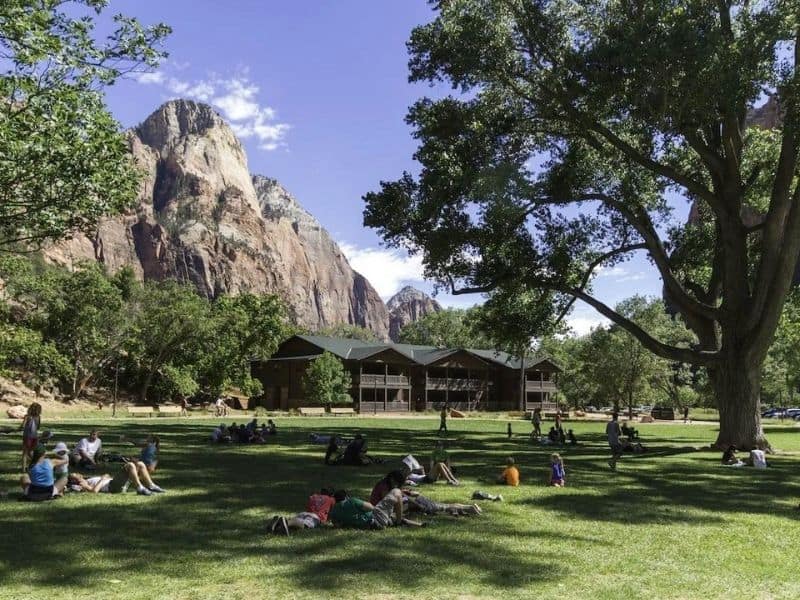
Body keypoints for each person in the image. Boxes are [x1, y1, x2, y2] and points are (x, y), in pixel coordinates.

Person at [371, 470, 481, 517]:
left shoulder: (385, 485)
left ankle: (469, 508)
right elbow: (389, 501)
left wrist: (407, 496)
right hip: (411, 502)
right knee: (439, 507)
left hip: (413, 501)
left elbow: (393, 501)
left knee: (439, 507)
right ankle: (468, 508)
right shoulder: (384, 486)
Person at [330, 489, 422, 529]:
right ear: (346, 497)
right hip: (375, 520)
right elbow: (371, 507)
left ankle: (420, 525)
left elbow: (337, 525)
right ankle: (398, 522)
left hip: (372, 524)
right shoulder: (352, 501)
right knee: (396, 491)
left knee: (392, 518)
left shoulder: (334, 511)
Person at [68, 460, 165, 495]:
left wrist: (105, 477)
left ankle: (151, 485)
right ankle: (140, 488)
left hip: (114, 483)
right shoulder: (82, 484)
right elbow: (94, 491)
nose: (77, 474)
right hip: (112, 487)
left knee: (140, 464)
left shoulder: (87, 479)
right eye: (74, 476)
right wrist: (102, 479)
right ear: (74, 481)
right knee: (130, 465)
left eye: (75, 473)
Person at [267, 488, 336, 536]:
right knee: (304, 525)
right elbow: (332, 511)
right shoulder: (331, 499)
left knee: (295, 523)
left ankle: (276, 525)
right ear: (331, 494)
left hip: (304, 513)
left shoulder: (313, 496)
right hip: (315, 517)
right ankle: (286, 522)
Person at [21, 402, 42, 471]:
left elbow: (23, 426)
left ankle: (23, 469)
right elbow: (38, 427)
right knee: (31, 452)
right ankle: (36, 465)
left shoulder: (27, 416)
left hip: (27, 436)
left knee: (25, 453)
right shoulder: (38, 417)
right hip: (35, 436)